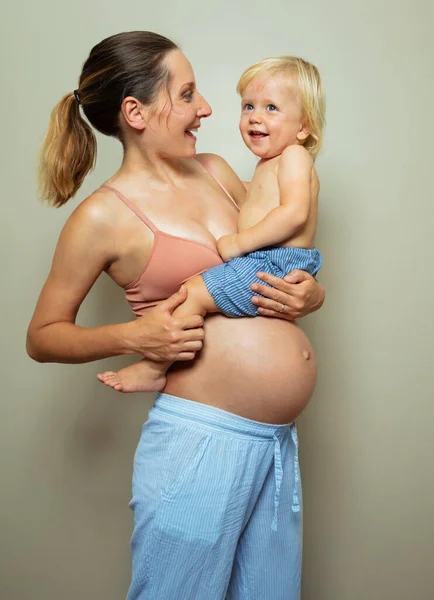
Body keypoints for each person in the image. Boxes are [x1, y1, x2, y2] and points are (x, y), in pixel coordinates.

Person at [26, 31, 325, 600]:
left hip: (274, 441)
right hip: (198, 448)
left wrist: (312, 295)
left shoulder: (215, 169)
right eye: (187, 94)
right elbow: (42, 336)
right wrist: (134, 335)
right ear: (136, 112)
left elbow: (270, 259)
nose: (207, 108)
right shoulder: (101, 217)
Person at [97, 55, 325, 394]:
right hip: (270, 265)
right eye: (248, 106)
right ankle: (155, 364)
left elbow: (294, 215)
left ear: (304, 126)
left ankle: (153, 368)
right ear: (134, 112)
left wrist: (241, 243)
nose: (255, 117)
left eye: (271, 108)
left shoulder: (292, 157)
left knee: (193, 293)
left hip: (271, 261)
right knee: (192, 294)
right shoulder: (267, 165)